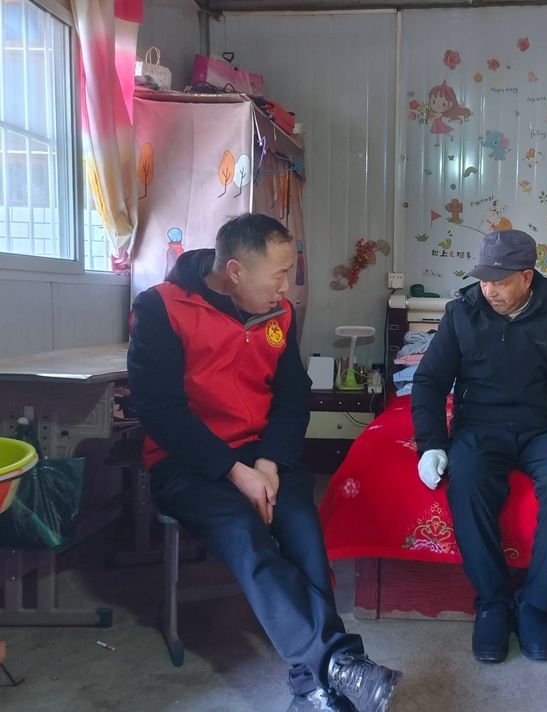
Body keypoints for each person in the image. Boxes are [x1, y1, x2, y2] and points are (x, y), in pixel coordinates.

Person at [128, 213, 402, 712]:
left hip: (262, 454)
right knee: (244, 532)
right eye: (278, 275)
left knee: (304, 535)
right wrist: (235, 472)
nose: (286, 288)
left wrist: (270, 463)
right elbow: (160, 411)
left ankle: (314, 687)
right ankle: (336, 663)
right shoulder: (161, 308)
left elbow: (293, 397)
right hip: (186, 460)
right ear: (235, 271)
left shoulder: (279, 315)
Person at [411, 229, 547, 663]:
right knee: (466, 482)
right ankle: (492, 602)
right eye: (483, 279)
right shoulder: (460, 314)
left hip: (543, 430)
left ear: (527, 277)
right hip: (479, 428)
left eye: (499, 281)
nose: (489, 290)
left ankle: (535, 605)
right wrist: (431, 444)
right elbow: (429, 382)